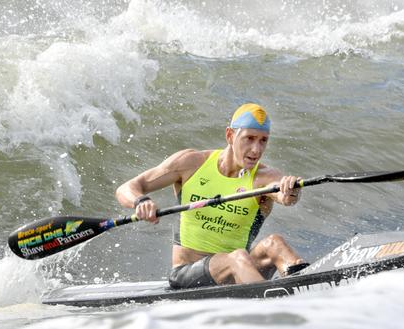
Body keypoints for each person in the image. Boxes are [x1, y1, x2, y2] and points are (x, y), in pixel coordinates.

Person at [115, 103, 309, 289]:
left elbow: (286, 196)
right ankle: (267, 307)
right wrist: (141, 201)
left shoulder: (266, 178)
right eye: (249, 138)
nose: (256, 149)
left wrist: (290, 191)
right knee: (237, 257)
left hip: (240, 271)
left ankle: (305, 290)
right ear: (230, 135)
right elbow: (128, 188)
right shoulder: (191, 163)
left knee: (275, 243)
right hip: (187, 275)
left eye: (263, 140)